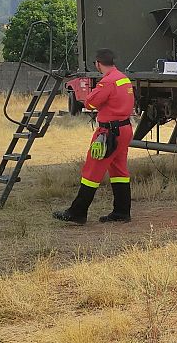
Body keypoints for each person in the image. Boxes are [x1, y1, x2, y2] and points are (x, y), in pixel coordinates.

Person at [54, 49, 134, 225]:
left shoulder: (107, 82)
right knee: (119, 170)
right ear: (113, 61)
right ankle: (121, 212)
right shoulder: (123, 78)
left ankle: (77, 212)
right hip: (125, 129)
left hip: (108, 133)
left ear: (98, 63)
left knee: (92, 171)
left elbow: (90, 103)